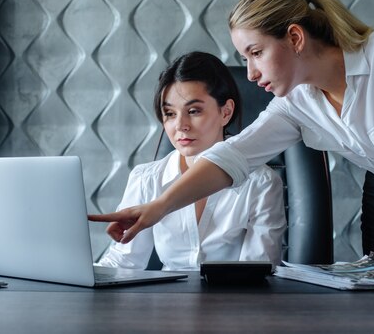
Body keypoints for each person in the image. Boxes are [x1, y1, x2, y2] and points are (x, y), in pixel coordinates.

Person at [89, 0, 374, 265]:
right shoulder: (295, 103)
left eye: (255, 53)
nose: (249, 73)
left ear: (295, 37)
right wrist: (158, 207)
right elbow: (231, 156)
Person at [95, 51, 286, 270]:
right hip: (167, 301)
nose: (180, 125)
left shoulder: (260, 182)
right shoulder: (146, 179)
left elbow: (257, 272)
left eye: (194, 111)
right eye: (169, 113)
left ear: (226, 112)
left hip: (234, 301)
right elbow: (122, 262)